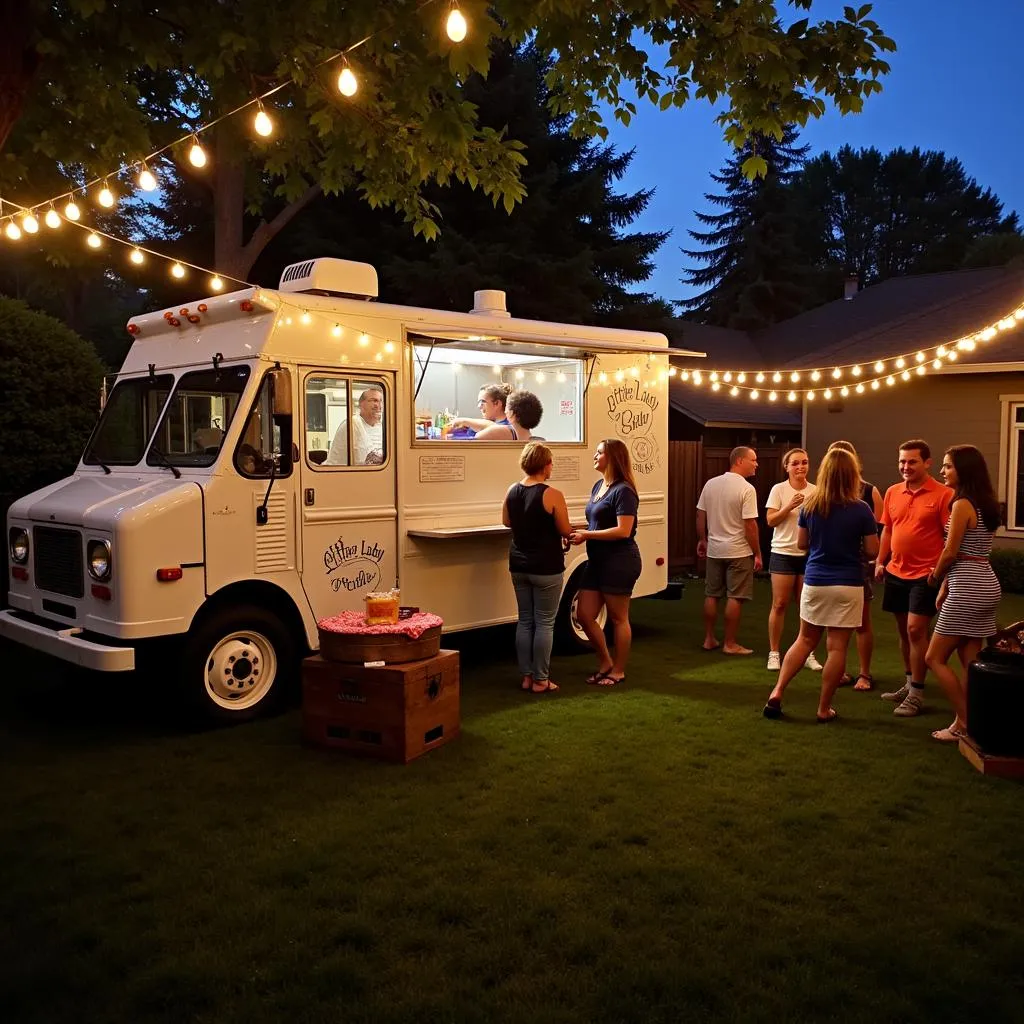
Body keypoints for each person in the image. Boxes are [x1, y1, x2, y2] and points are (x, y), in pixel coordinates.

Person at [763, 447, 879, 722]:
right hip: (848, 583)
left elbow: (802, 544)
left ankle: (777, 692)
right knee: (837, 647)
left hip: (815, 580)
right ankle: (823, 708)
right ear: (852, 475)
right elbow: (873, 551)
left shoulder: (811, 506)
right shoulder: (861, 509)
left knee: (804, 639)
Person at [925, 445, 1002, 742]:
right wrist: (947, 585)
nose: (943, 471)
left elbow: (950, 553)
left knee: (934, 658)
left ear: (964, 470)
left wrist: (934, 578)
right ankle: (968, 721)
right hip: (984, 582)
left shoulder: (962, 505)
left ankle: (968, 724)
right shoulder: (986, 503)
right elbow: (972, 553)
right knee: (970, 659)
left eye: (948, 466)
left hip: (969, 588)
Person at [874, 439, 954, 717]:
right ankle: (909, 683)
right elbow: (887, 529)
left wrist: (940, 572)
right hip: (896, 571)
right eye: (902, 462)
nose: (905, 467)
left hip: (926, 575)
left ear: (927, 463)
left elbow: (950, 538)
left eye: (912, 462)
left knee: (915, 630)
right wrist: (881, 561)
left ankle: (917, 693)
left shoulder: (944, 495)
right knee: (902, 631)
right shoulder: (893, 492)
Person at [568, 438, 641, 686]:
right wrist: (575, 530)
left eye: (599, 452)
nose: (595, 456)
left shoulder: (624, 491)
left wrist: (587, 534)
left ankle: (618, 670)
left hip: (619, 560)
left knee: (619, 617)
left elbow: (623, 530)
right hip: (597, 560)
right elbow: (597, 522)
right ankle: (605, 661)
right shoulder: (599, 485)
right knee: (584, 614)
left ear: (612, 457)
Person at [502, 442, 573, 694]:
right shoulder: (552, 494)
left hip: (518, 564)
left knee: (525, 620)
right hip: (546, 566)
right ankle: (541, 680)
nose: (552, 466)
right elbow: (565, 529)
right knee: (545, 622)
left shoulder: (512, 490)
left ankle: (526, 676)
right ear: (545, 465)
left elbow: (506, 520)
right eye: (551, 462)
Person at [828, 440, 885, 691]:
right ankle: (837, 670)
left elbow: (880, 529)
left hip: (858, 564)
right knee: (834, 623)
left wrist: (876, 559)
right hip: (830, 566)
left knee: (861, 622)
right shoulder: (823, 496)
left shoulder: (868, 492)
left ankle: (864, 673)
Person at [696, 446, 762, 655]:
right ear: (739, 461)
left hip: (715, 549)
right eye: (753, 460)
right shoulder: (746, 489)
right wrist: (758, 553)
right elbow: (750, 525)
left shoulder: (711, 484)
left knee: (712, 594)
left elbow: (700, 515)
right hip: (738, 551)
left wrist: (702, 540)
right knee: (735, 596)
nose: (756, 464)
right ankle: (730, 643)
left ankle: (709, 639)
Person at [765, 448, 823, 673]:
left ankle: (807, 652)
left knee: (805, 605)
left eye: (805, 462)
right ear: (786, 467)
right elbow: (770, 521)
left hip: (809, 555)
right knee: (779, 603)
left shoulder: (816, 491)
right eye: (796, 463)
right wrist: (789, 506)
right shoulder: (779, 490)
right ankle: (774, 653)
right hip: (782, 552)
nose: (801, 467)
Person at [325, 387, 385, 466]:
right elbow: (366, 460)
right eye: (374, 400)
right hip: (340, 475)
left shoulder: (381, 427)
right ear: (361, 404)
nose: (379, 405)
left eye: (381, 401)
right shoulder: (353, 423)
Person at [473, 389, 543, 442]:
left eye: (506, 408)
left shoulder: (503, 431)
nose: (505, 412)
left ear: (512, 414)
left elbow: (474, 439)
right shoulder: (539, 442)